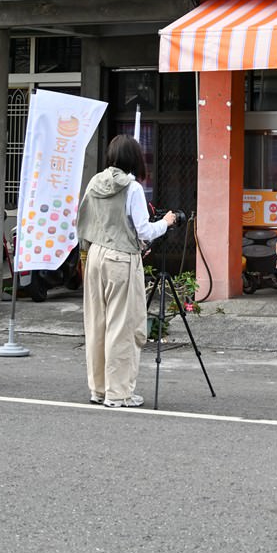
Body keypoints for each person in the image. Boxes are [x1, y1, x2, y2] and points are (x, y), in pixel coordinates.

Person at [76, 135, 176, 409]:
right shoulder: (132, 188)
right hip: (121, 259)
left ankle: (98, 389)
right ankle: (118, 393)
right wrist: (166, 222)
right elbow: (144, 230)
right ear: (134, 158)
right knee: (122, 327)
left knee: (96, 323)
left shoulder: (94, 182)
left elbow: (83, 220)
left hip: (96, 254)